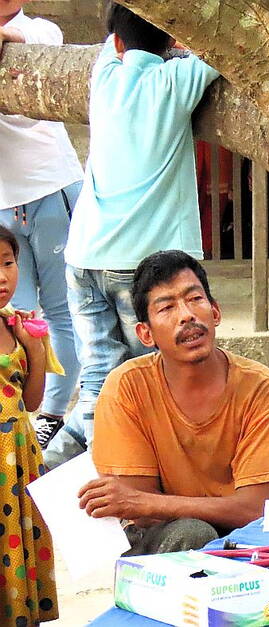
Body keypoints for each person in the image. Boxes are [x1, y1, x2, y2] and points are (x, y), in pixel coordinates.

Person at [45, 3, 221, 467]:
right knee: (150, 375)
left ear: (119, 43)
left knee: (102, 376)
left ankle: (54, 466)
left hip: (84, 254)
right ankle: (112, 471)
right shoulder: (174, 81)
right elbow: (223, 51)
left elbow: (117, 40)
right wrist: (185, 42)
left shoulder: (105, 78)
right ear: (170, 43)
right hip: (140, 265)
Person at [77, 251, 269, 555]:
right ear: (145, 333)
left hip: (243, 537)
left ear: (215, 313)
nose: (186, 315)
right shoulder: (126, 387)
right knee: (192, 532)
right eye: (167, 307)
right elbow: (141, 513)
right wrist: (147, 503)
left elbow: (253, 509)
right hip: (162, 540)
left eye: (194, 299)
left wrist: (147, 502)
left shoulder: (260, 387)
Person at [0, 1, 82, 448]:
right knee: (20, 314)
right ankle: (19, 407)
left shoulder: (41, 30)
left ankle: (53, 412)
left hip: (52, 188)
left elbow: (25, 44)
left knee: (60, 311)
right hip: (3, 203)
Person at [0, 226, 64, 624]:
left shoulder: (16, 326)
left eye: (8, 263)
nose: (2, 276)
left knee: (18, 551)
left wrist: (35, 348)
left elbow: (34, 401)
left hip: (20, 457)